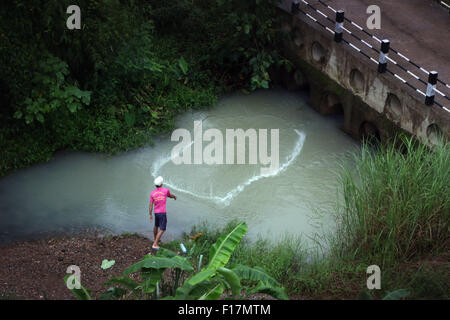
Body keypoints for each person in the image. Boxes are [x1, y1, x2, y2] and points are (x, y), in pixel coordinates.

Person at [149, 176, 176, 250]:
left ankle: (155, 239)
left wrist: (150, 214)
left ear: (155, 185)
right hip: (162, 213)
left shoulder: (152, 193)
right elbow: (170, 196)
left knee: (156, 226)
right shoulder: (165, 190)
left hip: (156, 213)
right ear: (161, 184)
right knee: (163, 229)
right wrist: (174, 197)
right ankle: (155, 244)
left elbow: (151, 204)